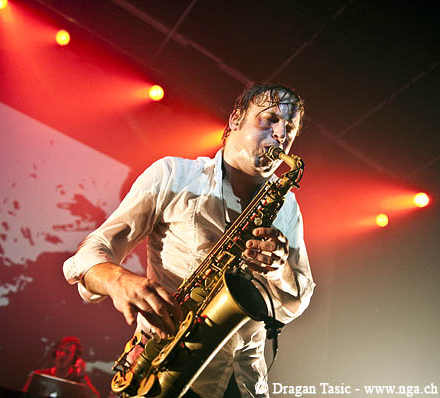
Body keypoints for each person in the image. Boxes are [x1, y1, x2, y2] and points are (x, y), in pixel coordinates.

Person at [63, 83, 315, 398]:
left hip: (245, 383)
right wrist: (117, 280)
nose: (281, 134)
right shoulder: (174, 174)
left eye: (290, 128)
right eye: (271, 119)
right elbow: (90, 253)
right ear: (236, 119)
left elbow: (296, 301)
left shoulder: (287, 205)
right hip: (161, 367)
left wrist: (279, 269)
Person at [23, 336, 100, 398]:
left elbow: (94, 397)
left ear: (74, 358)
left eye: (67, 352)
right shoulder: (39, 375)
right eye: (60, 350)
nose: (62, 354)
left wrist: (82, 376)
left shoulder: (78, 379)